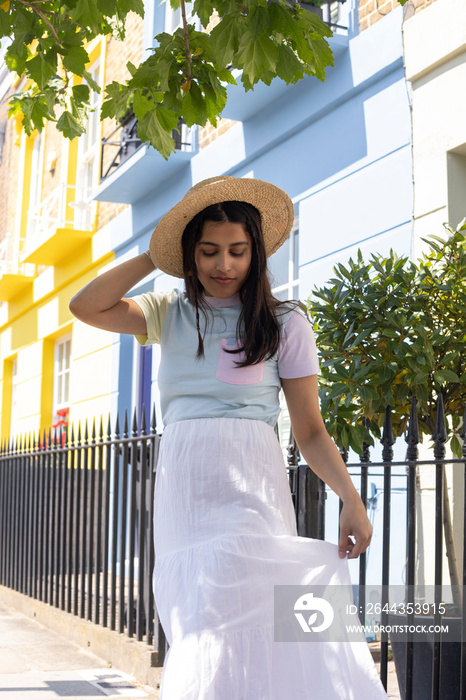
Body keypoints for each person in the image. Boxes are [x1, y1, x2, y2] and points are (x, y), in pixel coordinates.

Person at [70, 176, 387, 699]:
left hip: (253, 488)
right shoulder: (166, 312)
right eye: (209, 251)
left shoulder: (286, 323)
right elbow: (86, 307)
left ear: (256, 253)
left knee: (257, 615)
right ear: (189, 256)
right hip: (185, 494)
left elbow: (309, 430)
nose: (224, 265)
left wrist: (350, 498)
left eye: (238, 251)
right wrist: (155, 255)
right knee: (200, 621)